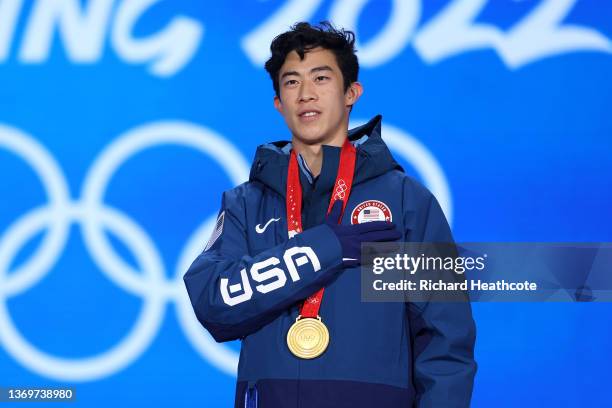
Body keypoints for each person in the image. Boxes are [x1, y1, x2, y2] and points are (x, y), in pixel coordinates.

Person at [184, 21, 476, 408]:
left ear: (351, 92)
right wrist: (325, 248)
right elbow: (212, 302)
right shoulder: (245, 202)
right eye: (291, 82)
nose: (306, 94)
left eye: (321, 78)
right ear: (278, 102)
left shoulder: (406, 201)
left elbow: (445, 343)